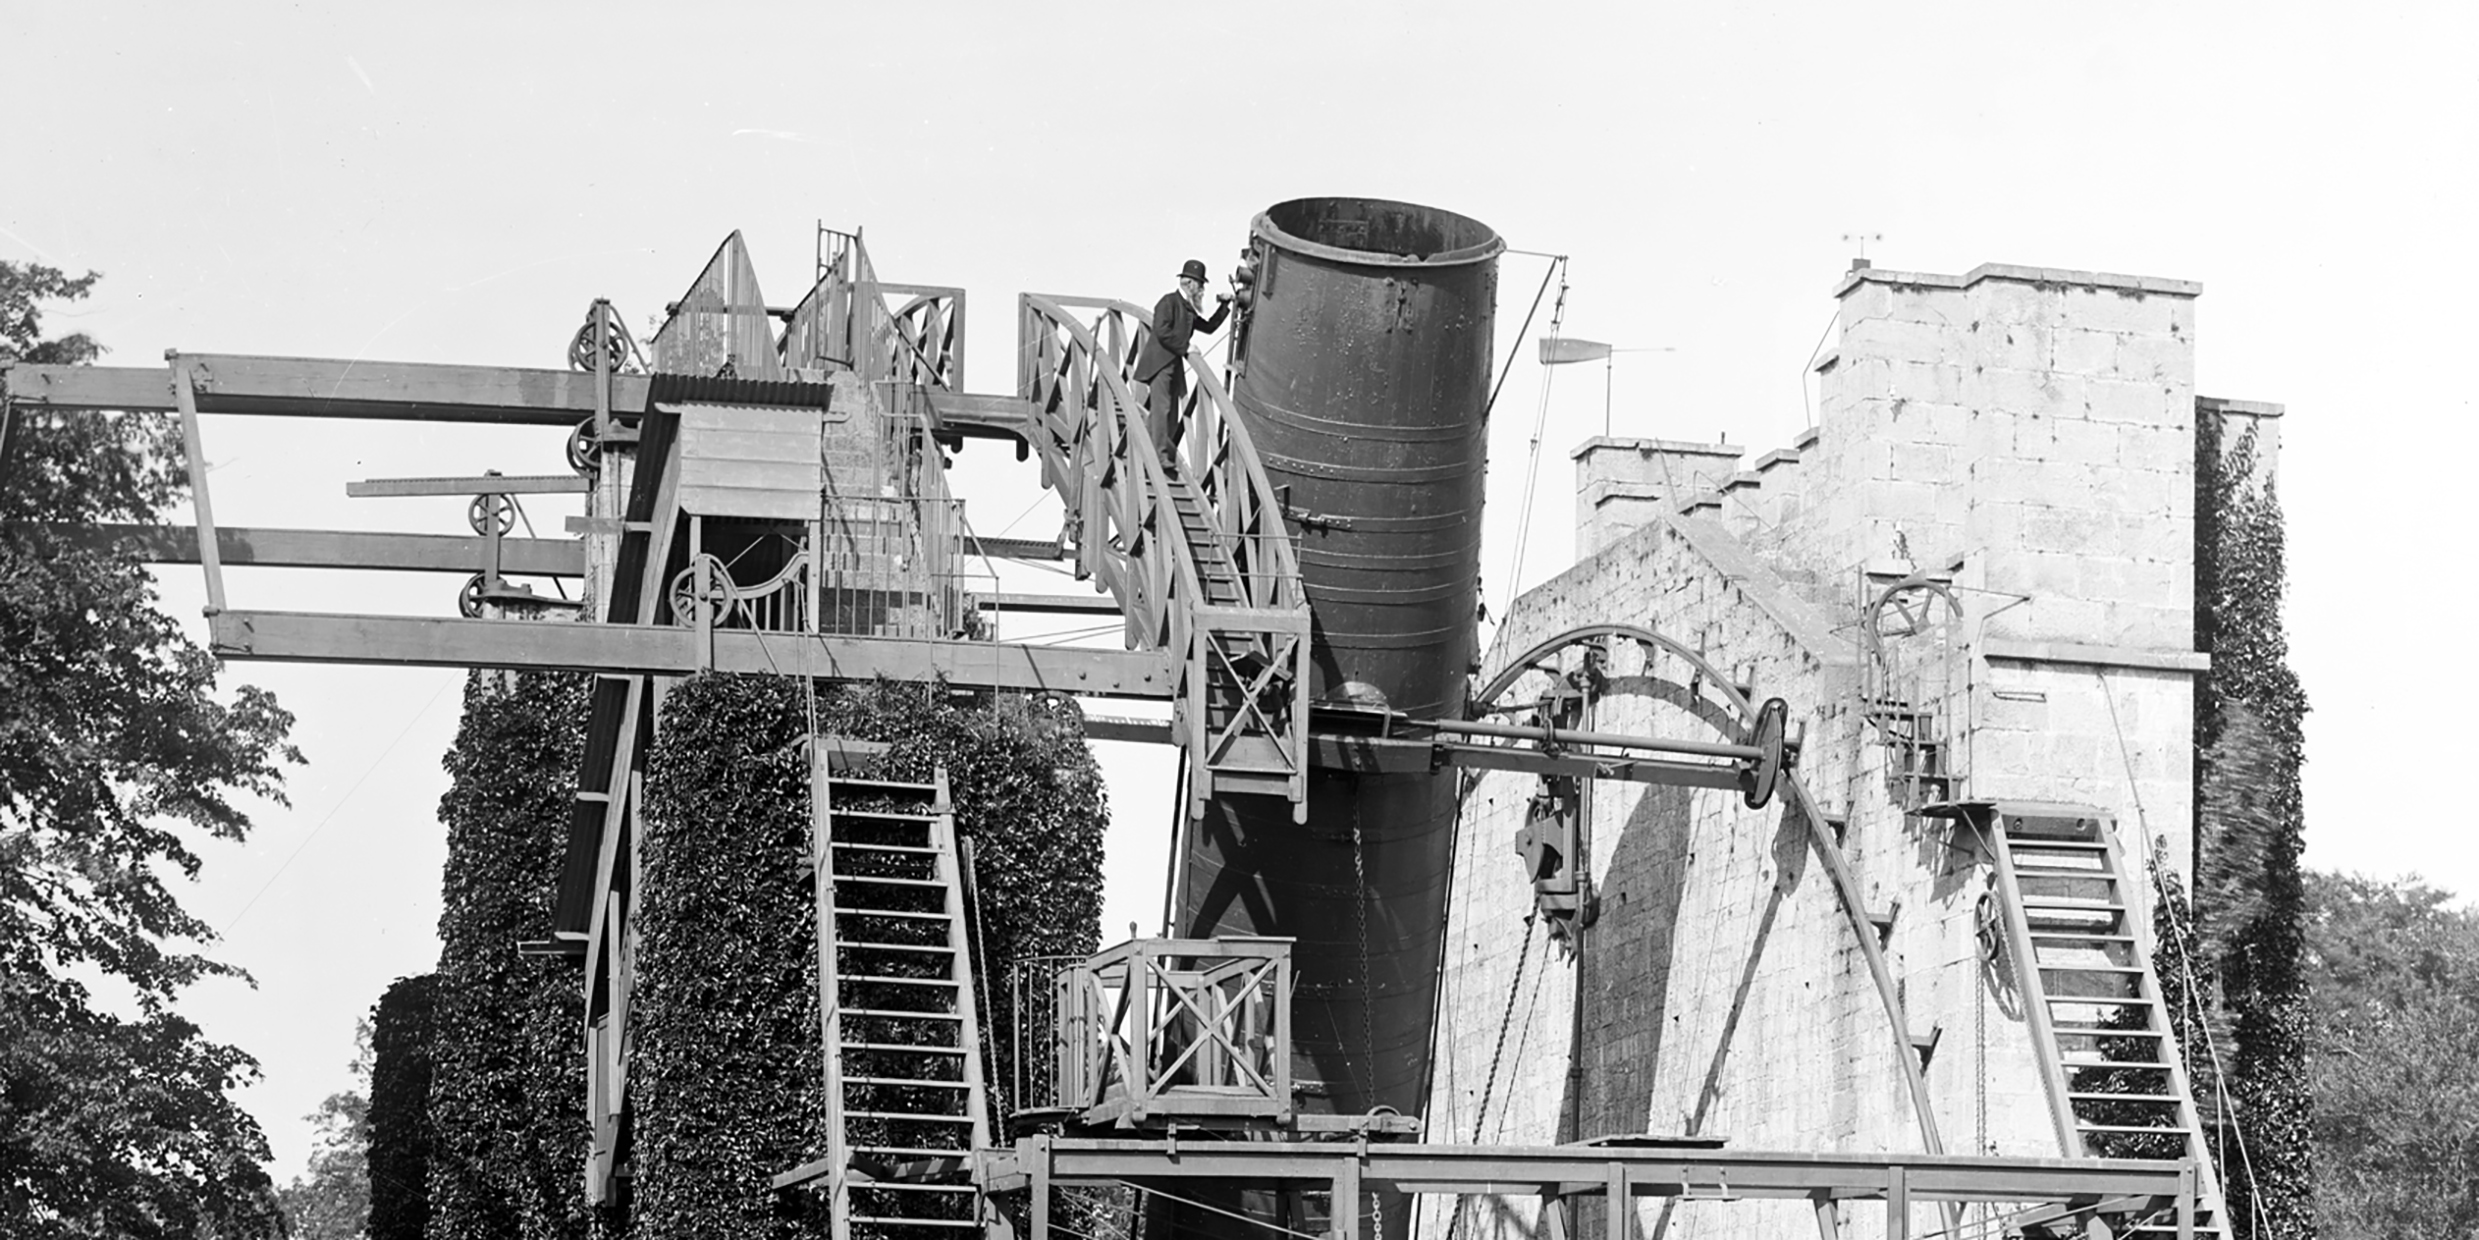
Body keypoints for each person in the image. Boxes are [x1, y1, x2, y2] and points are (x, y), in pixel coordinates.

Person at [1133, 258, 1231, 467]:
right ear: (1189, 284)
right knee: (1163, 409)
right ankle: (1158, 456)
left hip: (1172, 366)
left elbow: (1209, 327)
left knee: (1169, 411)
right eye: (1201, 284)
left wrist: (1224, 306)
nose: (1202, 289)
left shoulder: (1187, 308)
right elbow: (1161, 331)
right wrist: (1185, 348)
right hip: (1160, 364)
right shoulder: (1168, 302)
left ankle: (1154, 450)